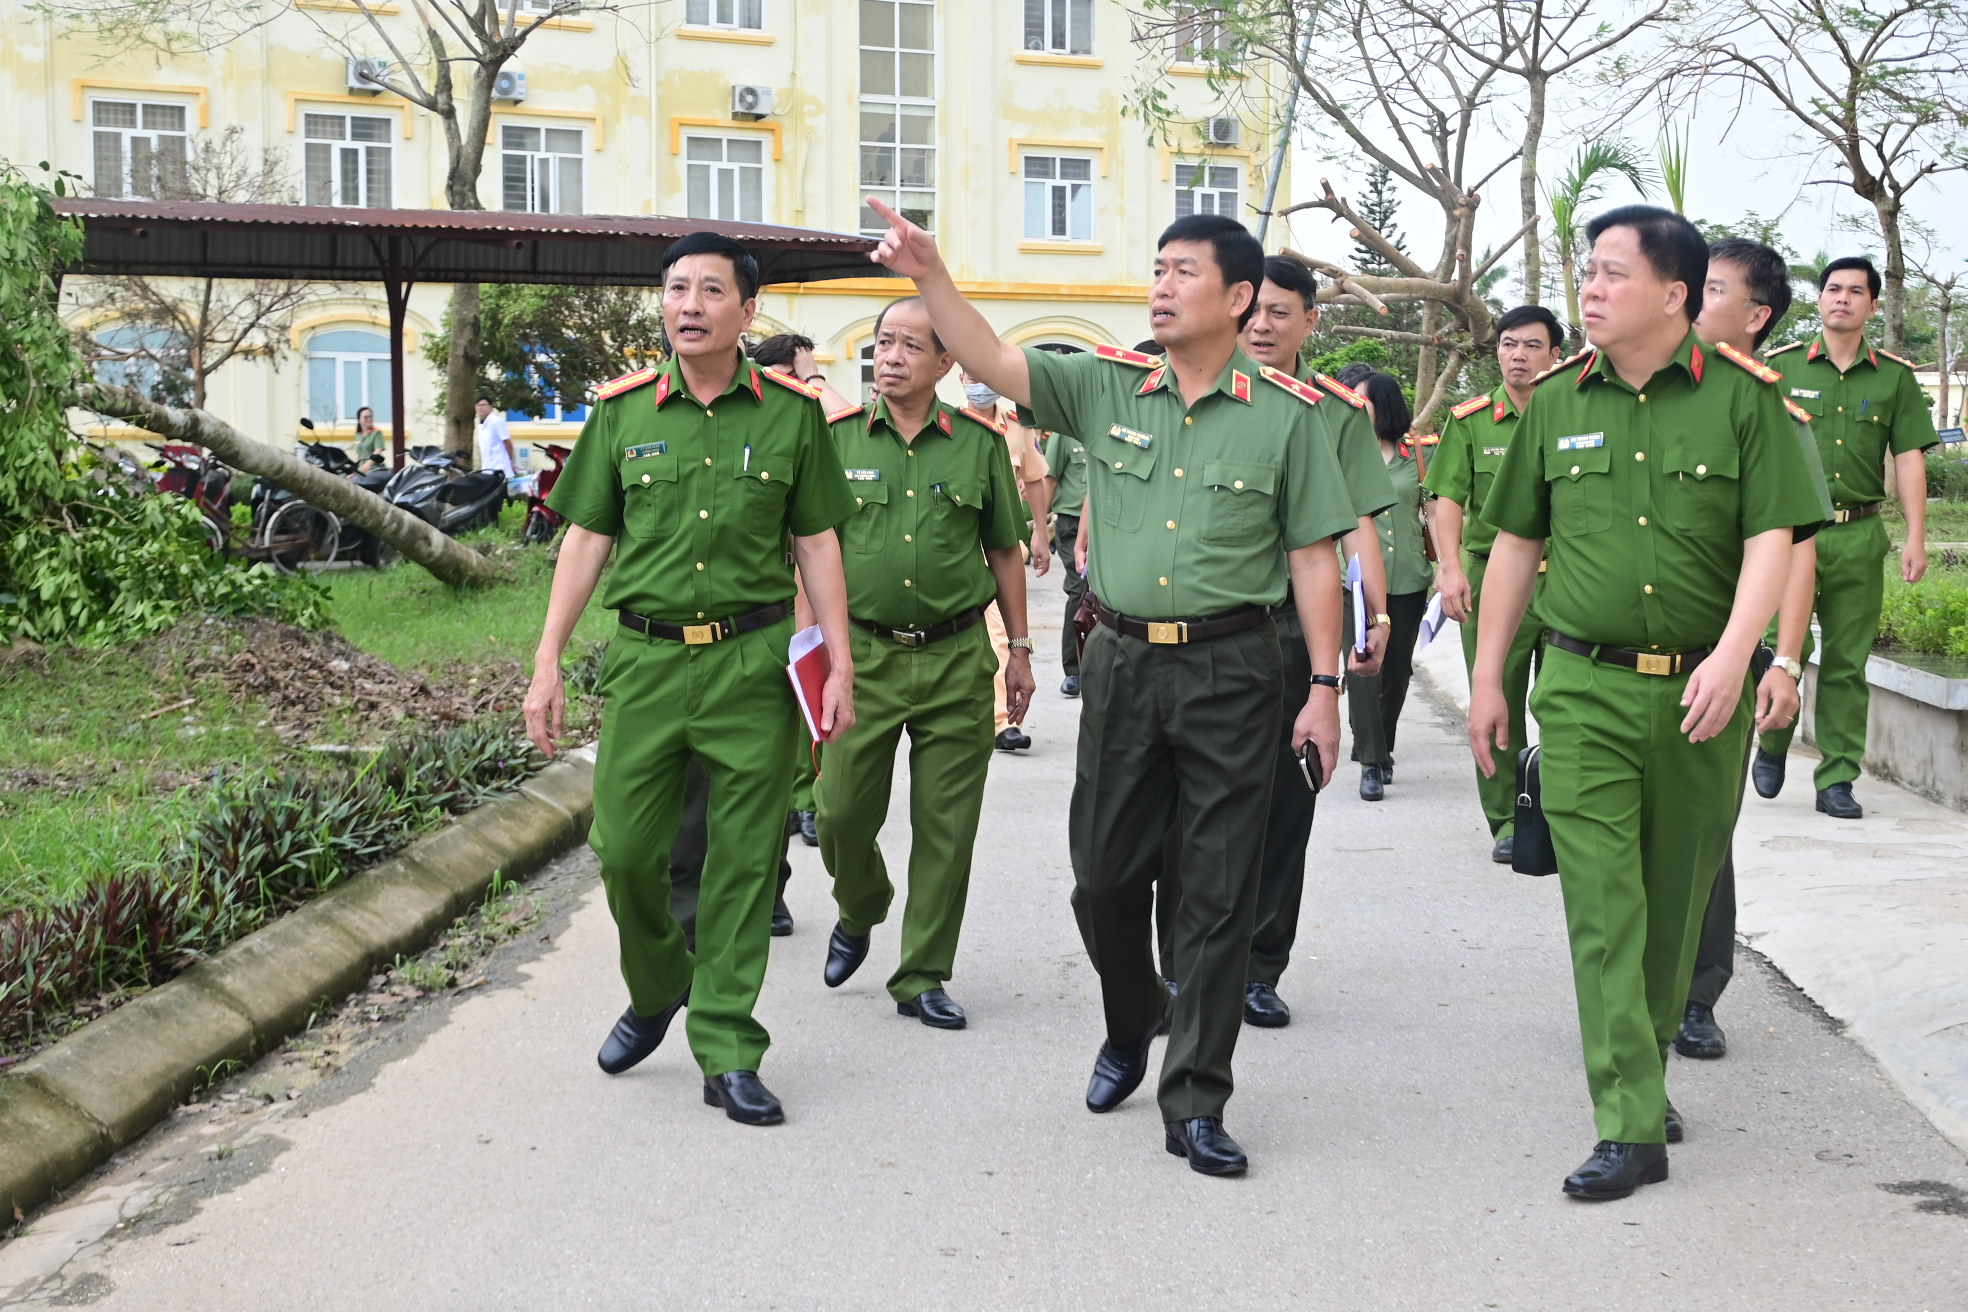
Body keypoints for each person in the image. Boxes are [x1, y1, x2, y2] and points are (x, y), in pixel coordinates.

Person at [869, 201, 1356, 1176]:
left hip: (1237, 668)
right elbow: (996, 361)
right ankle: (1133, 1016)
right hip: (1125, 664)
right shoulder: (1106, 387)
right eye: (1158, 267)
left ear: (1240, 295)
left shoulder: (1293, 421)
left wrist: (1326, 687)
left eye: (1184, 271)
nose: (1162, 285)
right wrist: (930, 275)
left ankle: (1195, 1098)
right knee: (1102, 879)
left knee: (1218, 891)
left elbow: (1312, 557)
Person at [1470, 205, 1828, 1200]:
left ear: (1674, 294)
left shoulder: (1751, 404)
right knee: (1603, 907)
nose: (1589, 288)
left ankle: (1648, 1054)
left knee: (1674, 905)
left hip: (1699, 697)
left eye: (1613, 273)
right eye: (1587, 270)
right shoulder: (1551, 401)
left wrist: (1740, 655)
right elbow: (1516, 546)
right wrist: (1490, 676)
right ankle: (1628, 1120)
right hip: (1581, 686)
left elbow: (1775, 539)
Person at [524, 230, 857, 1127]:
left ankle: (728, 1044)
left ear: (748, 313)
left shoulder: (792, 416)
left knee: (744, 864)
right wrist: (547, 660)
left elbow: (818, 540)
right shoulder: (623, 412)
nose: (690, 305)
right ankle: (660, 983)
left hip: (751, 665)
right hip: (648, 663)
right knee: (628, 852)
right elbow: (586, 537)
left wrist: (839, 663)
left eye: (712, 291)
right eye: (677, 289)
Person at [816, 297, 1035, 1030]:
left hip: (953, 660)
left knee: (947, 827)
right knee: (841, 811)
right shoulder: (836, 441)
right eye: (884, 341)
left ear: (947, 363)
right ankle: (861, 902)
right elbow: (806, 558)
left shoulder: (977, 445)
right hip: (862, 657)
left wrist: (1021, 651)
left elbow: (1005, 548)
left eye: (912, 345)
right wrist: (812, 660)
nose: (892, 355)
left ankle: (923, 974)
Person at [1193, 254, 1396, 1028]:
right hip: (1205, 630)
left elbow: (1359, 526)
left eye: (1283, 312)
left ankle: (1258, 964)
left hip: (1288, 632)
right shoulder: (1187, 389)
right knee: (1192, 807)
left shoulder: (1333, 412)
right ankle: (1190, 962)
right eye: (1254, 311)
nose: (1264, 325)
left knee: (1285, 804)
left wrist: (1374, 618)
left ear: (1312, 321)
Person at [1675, 237, 1833, 1061]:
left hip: (1721, 656)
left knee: (1704, 834)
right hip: (1614, 652)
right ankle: (1629, 990)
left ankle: (1696, 994)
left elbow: (1794, 549)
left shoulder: (1770, 410)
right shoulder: (1634, 394)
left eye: (1709, 290)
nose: (1687, 301)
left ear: (1756, 315)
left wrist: (1781, 660)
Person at [1752, 256, 1939, 819]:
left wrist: (1916, 536)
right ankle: (1774, 741)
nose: (1843, 299)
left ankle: (1836, 777)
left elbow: (1907, 457)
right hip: (1789, 536)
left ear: (1872, 306)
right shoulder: (1779, 369)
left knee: (1846, 661)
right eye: (1833, 289)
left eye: (1856, 291)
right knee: (1784, 649)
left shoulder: (1894, 378)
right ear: (1820, 299)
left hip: (1858, 534)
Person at [1424, 306, 1564, 861]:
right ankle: (1508, 817)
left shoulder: (1575, 415)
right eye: (1509, 345)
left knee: (1564, 701)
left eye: (1532, 346)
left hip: (1566, 581)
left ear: (1556, 354)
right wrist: (1450, 567)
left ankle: (1561, 813)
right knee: (1496, 694)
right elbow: (1446, 498)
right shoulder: (1473, 419)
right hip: (1490, 578)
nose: (1518, 356)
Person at [750, 333, 833, 844]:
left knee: (805, 684)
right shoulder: (750, 422)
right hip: (757, 589)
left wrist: (813, 378)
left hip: (804, 576)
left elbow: (833, 418)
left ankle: (805, 798)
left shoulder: (807, 417)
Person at [1345, 371, 1434, 801]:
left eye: (1364, 401)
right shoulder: (1340, 455)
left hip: (1408, 580)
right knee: (1363, 668)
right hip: (1357, 582)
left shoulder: (1417, 456)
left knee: (1396, 671)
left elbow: (1438, 508)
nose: (1356, 408)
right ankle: (1371, 761)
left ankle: (1382, 742)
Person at [961, 367, 1052, 752]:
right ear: (960, 380)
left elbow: (1034, 478)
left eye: (986, 375)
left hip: (1003, 543)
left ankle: (1002, 722)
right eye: (972, 377)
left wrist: (1041, 532)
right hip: (961, 542)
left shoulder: (1017, 425)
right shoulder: (951, 423)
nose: (980, 384)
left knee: (1002, 631)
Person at [1038, 347, 1091, 699]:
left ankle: (1093, 666)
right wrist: (1041, 530)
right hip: (1073, 523)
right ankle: (1073, 670)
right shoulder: (1064, 435)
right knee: (1079, 590)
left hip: (1109, 524)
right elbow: (1048, 481)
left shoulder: (1104, 426)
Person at [474, 396, 518, 477]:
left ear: (490, 407)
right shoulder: (482, 425)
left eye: (483, 405)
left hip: (500, 470)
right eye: (478, 405)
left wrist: (511, 462)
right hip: (487, 471)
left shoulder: (496, 421)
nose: (480, 408)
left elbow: (508, 443)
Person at [353, 405, 386, 471]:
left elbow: (378, 451)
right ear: (359, 420)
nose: (369, 419)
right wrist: (353, 469)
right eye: (366, 417)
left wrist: (365, 467)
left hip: (373, 469)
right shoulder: (358, 435)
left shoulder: (377, 433)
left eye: (371, 416)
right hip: (360, 468)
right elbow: (357, 455)